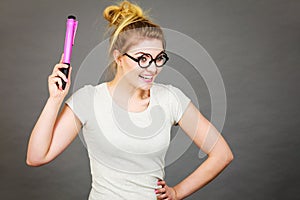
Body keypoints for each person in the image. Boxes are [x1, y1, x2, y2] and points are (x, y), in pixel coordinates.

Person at [26, 1, 234, 199]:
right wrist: (55, 99)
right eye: (142, 59)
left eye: (159, 58)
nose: (152, 68)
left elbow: (222, 154)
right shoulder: (89, 100)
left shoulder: (171, 99)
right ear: (118, 57)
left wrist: (177, 193)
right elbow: (36, 157)